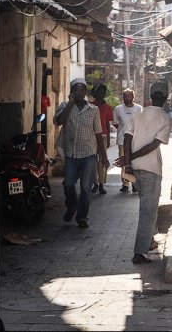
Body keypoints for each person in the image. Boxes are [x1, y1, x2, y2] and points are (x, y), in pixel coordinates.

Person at [116, 82, 172, 264]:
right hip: (150, 169)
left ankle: (148, 242)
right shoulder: (165, 118)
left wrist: (128, 160)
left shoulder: (139, 115)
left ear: (150, 96)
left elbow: (127, 136)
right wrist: (129, 159)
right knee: (148, 211)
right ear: (165, 98)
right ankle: (139, 253)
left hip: (136, 169)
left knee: (149, 206)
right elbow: (154, 145)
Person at [54, 78, 109, 229]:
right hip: (71, 153)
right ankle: (71, 206)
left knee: (86, 187)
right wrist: (71, 103)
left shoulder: (93, 110)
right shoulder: (65, 106)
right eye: (75, 90)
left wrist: (104, 157)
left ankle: (82, 217)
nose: (79, 93)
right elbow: (58, 121)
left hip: (89, 154)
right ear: (71, 92)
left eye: (81, 90)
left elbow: (98, 133)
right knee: (69, 184)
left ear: (85, 92)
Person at [112, 88, 142, 193]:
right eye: (125, 96)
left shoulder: (139, 109)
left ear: (133, 97)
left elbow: (142, 123)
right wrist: (123, 130)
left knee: (134, 161)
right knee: (124, 161)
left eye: (129, 96)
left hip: (136, 140)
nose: (127, 98)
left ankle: (134, 184)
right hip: (122, 140)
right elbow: (115, 123)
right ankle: (125, 183)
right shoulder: (118, 109)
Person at [90, 84, 113, 194]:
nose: (102, 94)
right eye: (100, 92)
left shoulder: (107, 107)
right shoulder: (89, 106)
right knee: (93, 161)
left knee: (102, 160)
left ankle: (101, 184)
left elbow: (108, 124)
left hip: (103, 136)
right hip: (91, 136)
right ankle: (94, 183)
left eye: (103, 92)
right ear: (95, 93)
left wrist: (108, 139)